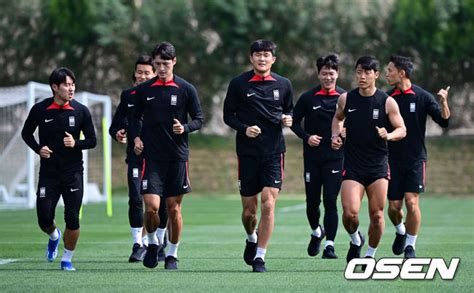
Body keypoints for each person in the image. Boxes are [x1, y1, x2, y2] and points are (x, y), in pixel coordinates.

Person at [129, 42, 203, 270]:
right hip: (152, 158)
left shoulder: (186, 88)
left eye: (165, 63)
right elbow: (133, 119)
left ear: (174, 62)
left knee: (173, 209)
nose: (161, 68)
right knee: (150, 207)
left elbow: (199, 118)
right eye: (158, 64)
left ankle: (172, 254)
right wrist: (136, 138)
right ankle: (151, 243)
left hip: (177, 157)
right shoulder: (144, 90)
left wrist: (185, 128)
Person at [223, 39, 294, 272]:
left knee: (268, 203)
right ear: (251, 58)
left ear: (273, 59)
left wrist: (288, 119)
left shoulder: (284, 84)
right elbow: (228, 116)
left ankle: (260, 257)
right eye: (258, 55)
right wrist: (245, 128)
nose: (262, 59)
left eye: (266, 55)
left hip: (274, 152)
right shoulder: (238, 84)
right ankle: (251, 237)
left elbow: (288, 110)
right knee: (249, 211)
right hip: (247, 153)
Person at [331, 56, 406, 263]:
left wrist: (388, 135)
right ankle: (356, 240)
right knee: (349, 214)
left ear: (376, 75)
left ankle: (370, 256)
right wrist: (335, 136)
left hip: (378, 167)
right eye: (358, 72)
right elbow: (337, 119)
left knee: (377, 215)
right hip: (353, 165)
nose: (362, 76)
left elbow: (402, 129)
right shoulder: (346, 99)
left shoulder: (387, 102)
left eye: (366, 72)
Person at [21, 67, 97, 271]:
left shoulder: (81, 111)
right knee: (44, 217)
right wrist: (39, 149)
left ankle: (67, 259)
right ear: (55, 87)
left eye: (73, 84)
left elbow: (92, 140)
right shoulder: (40, 109)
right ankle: (54, 236)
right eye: (67, 85)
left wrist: (76, 143)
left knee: (72, 217)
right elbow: (26, 133)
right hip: (48, 173)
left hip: (73, 173)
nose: (71, 89)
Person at [385, 55, 450, 258]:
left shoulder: (422, 96)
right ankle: (400, 231)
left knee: (412, 202)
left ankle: (410, 246)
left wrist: (444, 103)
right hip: (392, 160)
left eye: (390, 70)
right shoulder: (387, 98)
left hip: (415, 159)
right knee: (394, 208)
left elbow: (444, 121)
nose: (387, 74)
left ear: (401, 73)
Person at [109, 55, 169, 262]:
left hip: (161, 158)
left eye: (147, 72)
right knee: (135, 198)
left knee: (159, 204)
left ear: (155, 74)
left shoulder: (163, 93)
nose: (143, 76)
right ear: (134, 74)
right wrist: (118, 133)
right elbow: (115, 125)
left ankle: (160, 241)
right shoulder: (128, 96)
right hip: (136, 157)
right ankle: (138, 244)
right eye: (139, 72)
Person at [291, 54, 345, 259]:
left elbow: (354, 125)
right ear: (318, 74)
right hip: (312, 158)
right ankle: (317, 231)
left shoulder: (345, 98)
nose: (328, 77)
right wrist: (307, 137)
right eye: (324, 73)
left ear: (337, 74)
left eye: (331, 73)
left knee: (330, 200)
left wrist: (343, 137)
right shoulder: (308, 98)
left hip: (336, 158)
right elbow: (294, 123)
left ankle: (330, 245)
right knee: (312, 202)